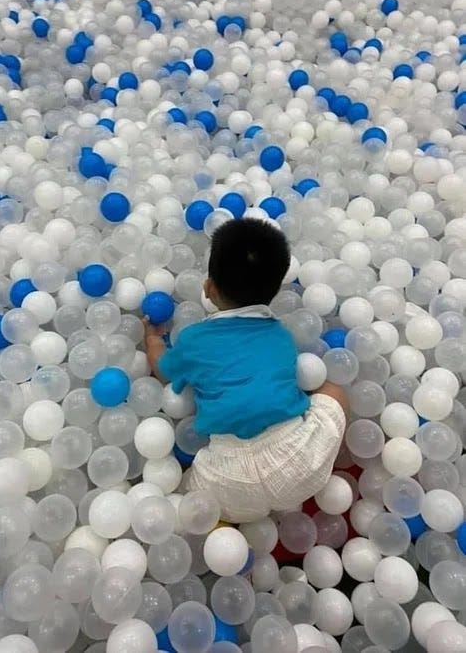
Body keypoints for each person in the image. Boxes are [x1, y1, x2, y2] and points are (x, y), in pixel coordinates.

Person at [144, 217, 348, 522]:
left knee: (189, 498)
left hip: (228, 480)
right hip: (300, 463)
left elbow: (164, 371)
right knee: (334, 391)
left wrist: (152, 339)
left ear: (208, 287)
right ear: (275, 291)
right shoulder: (280, 334)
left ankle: (224, 527)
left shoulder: (194, 339)